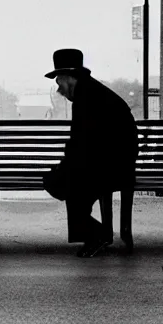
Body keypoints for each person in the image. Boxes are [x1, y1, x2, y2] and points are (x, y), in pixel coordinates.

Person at [42, 48, 138, 257]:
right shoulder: (91, 92)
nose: (59, 90)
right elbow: (84, 144)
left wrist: (61, 171)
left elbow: (81, 144)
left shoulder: (86, 99)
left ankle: (98, 235)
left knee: (67, 184)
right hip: (115, 163)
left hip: (112, 166)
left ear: (69, 79)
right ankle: (96, 235)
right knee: (67, 181)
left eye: (59, 82)